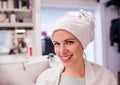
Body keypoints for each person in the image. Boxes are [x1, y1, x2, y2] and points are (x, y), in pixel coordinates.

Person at [36, 10, 117, 85]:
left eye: (69, 42)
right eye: (57, 44)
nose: (62, 51)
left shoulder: (106, 78)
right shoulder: (45, 79)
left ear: (82, 44)